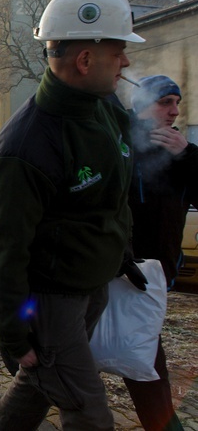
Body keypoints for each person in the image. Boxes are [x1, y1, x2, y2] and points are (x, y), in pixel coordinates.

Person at [0, 0, 144, 430]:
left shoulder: (105, 111)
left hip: (92, 289)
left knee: (37, 385)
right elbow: (6, 252)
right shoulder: (25, 147)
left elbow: (112, 197)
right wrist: (14, 334)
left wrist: (121, 253)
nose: (127, 61)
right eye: (119, 51)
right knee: (88, 412)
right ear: (85, 60)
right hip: (49, 304)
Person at [123, 75, 195, 431]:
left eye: (176, 103)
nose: (174, 111)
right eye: (165, 102)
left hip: (155, 276)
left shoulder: (179, 151)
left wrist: (186, 156)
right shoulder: (119, 140)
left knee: (141, 354)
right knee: (147, 360)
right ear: (141, 104)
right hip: (115, 270)